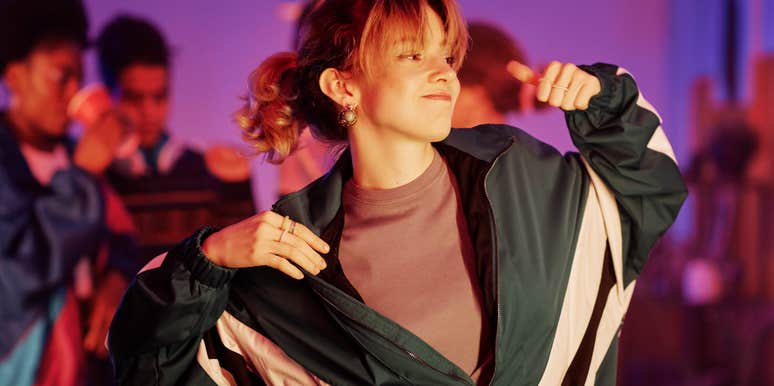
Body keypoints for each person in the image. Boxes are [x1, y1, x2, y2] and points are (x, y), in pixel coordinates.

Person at [108, 0, 687, 385]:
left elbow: (649, 193)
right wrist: (207, 262)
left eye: (445, 54)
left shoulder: (525, 180)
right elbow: (148, 368)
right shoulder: (289, 266)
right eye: (414, 55)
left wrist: (606, 104)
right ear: (343, 85)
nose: (444, 74)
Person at [0, 0, 137, 385]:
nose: (73, 91)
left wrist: (115, 278)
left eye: (79, 76)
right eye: (61, 76)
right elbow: (17, 275)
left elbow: (122, 237)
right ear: (14, 76)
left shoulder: (74, 154)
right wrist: (83, 175)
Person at [95, 15, 256, 265]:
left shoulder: (209, 172)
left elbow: (245, 272)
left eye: (159, 97)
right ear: (106, 96)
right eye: (134, 98)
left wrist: (238, 188)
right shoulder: (91, 182)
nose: (149, 112)